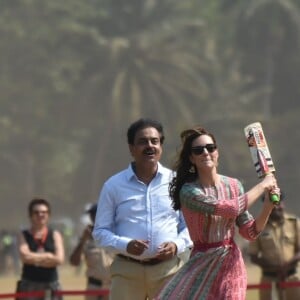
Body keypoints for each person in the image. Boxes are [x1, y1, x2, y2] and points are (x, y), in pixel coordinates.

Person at [154, 126, 279, 300]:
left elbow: (249, 233)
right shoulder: (189, 192)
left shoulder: (234, 185)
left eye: (210, 148)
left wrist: (268, 206)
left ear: (217, 152)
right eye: (198, 150)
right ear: (191, 158)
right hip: (201, 263)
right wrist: (263, 185)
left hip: (231, 264)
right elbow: (231, 209)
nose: (205, 152)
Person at [92, 118, 193, 300]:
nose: (149, 146)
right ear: (131, 148)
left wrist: (176, 245)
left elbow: (191, 227)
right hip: (127, 272)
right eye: (142, 142)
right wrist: (126, 245)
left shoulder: (177, 182)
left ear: (161, 146)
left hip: (169, 270)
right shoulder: (113, 186)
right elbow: (100, 233)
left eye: (154, 141)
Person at [248, 192, 300, 300]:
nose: (277, 207)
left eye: (279, 203)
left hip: (292, 278)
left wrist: (286, 266)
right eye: (273, 204)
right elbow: (253, 256)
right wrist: (275, 268)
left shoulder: (294, 223)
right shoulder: (258, 226)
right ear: (267, 206)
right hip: (269, 278)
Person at [16, 198, 65, 300]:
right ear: (30, 215)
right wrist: (48, 256)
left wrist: (34, 259)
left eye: (44, 212)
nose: (40, 215)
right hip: (29, 286)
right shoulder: (23, 235)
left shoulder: (55, 234)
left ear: (48, 215)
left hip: (51, 286)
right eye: (36, 212)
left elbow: (59, 259)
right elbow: (25, 257)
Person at [70, 203, 114, 300]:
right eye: (92, 214)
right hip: (94, 286)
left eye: (97, 214)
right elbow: (74, 262)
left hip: (113, 286)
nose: (94, 217)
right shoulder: (86, 237)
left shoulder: (115, 234)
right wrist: (83, 240)